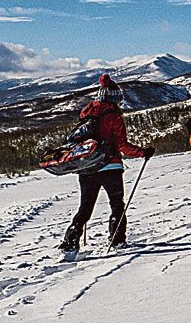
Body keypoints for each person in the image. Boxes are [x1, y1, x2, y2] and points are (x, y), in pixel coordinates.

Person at [59, 74, 154, 256]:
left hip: (87, 166)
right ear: (114, 97)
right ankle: (117, 240)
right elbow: (121, 145)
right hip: (110, 166)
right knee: (117, 205)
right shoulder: (113, 115)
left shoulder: (87, 113)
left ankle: (69, 243)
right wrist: (143, 152)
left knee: (85, 207)